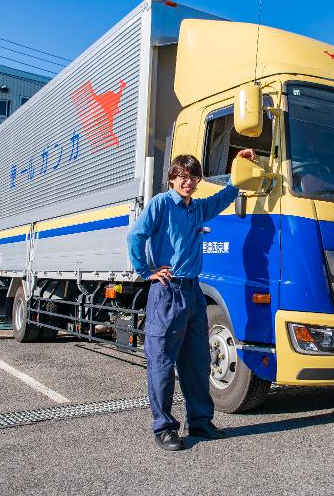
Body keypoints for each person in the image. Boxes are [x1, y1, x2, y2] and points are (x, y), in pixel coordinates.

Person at [127, 150, 255, 451]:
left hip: (194, 291)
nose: (189, 182)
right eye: (183, 176)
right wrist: (146, 271)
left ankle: (199, 421)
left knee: (197, 361)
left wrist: (239, 164)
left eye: (193, 177)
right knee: (162, 362)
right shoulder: (161, 204)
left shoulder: (196, 208)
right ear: (172, 178)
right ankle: (164, 428)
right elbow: (135, 236)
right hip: (168, 291)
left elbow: (225, 197)